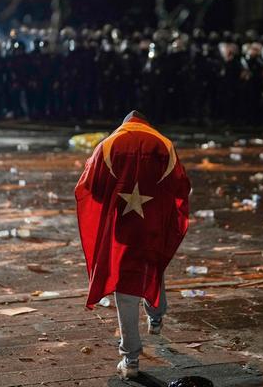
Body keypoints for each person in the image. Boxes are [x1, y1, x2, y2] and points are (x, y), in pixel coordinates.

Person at [75, 110, 190, 379]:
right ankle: (157, 315)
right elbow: (181, 185)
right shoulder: (164, 144)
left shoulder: (108, 144)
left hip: (123, 226)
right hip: (153, 224)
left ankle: (131, 359)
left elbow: (88, 185)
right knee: (154, 265)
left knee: (125, 288)